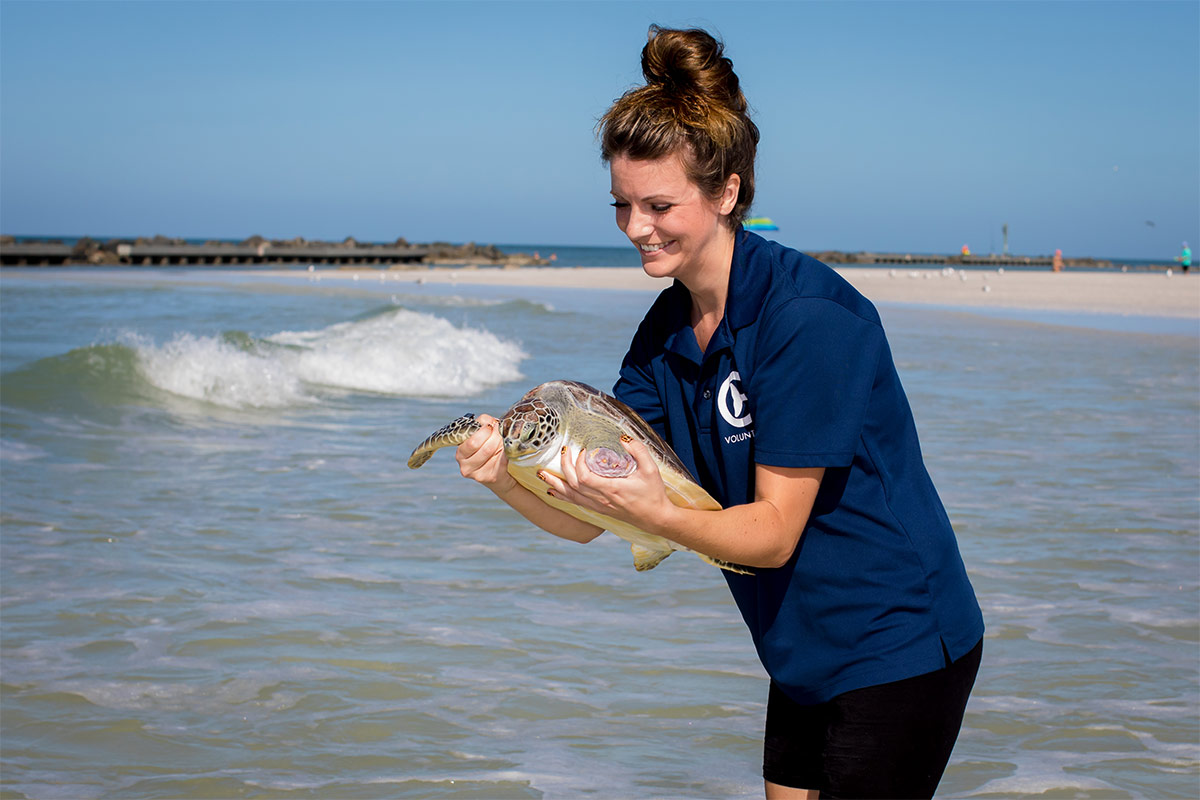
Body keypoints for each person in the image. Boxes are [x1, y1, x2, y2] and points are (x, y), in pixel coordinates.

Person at [454, 25, 984, 800]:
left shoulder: (807, 320)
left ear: (727, 191)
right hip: (797, 650)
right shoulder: (661, 336)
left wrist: (662, 519)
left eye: (660, 205)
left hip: (896, 644)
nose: (637, 228)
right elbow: (593, 516)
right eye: (622, 205)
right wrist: (506, 477)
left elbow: (770, 537)